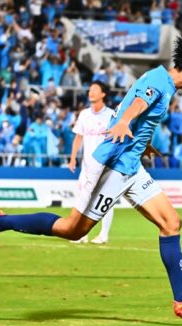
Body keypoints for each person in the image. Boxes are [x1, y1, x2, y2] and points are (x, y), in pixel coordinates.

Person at [0, 34, 182, 317]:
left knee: (171, 222)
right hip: (111, 167)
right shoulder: (160, 83)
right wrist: (126, 122)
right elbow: (136, 105)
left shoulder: (162, 81)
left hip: (131, 166)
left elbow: (137, 108)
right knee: (73, 230)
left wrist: (142, 142)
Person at [68, 81, 115, 245]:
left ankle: (103, 234)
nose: (91, 92)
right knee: (83, 198)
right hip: (87, 166)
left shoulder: (111, 115)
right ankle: (81, 234)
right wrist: (73, 158)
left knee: (104, 199)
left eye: (95, 90)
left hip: (104, 165)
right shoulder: (84, 114)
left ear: (103, 94)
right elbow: (78, 137)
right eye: (90, 89)